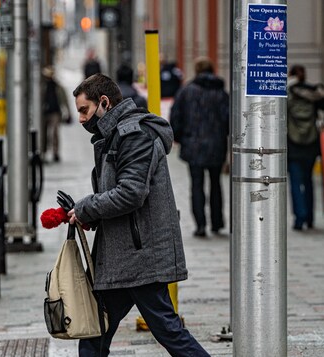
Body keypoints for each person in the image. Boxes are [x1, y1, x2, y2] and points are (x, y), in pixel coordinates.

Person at [68, 74, 209, 357]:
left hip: (141, 258)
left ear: (104, 102)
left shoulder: (134, 135)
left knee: (169, 332)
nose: (81, 119)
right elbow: (116, 192)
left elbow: (130, 193)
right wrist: (90, 216)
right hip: (125, 256)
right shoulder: (113, 135)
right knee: (95, 333)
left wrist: (86, 207)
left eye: (84, 110)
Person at [170, 57, 229, 237]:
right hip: (217, 144)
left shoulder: (186, 91)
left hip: (193, 144)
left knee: (196, 184)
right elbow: (228, 119)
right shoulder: (221, 93)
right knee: (216, 183)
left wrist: (180, 137)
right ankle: (217, 222)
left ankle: (200, 224)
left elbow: (176, 117)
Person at [286, 64, 324, 231]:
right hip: (311, 143)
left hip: (292, 144)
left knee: (295, 182)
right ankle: (310, 218)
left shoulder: (287, 94)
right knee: (308, 180)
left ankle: (299, 218)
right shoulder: (314, 94)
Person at [41, 66, 70, 162]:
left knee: (54, 133)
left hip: (55, 112)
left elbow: (64, 100)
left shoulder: (57, 86)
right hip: (44, 113)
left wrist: (68, 112)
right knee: (44, 134)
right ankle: (44, 151)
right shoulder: (42, 86)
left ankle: (55, 152)